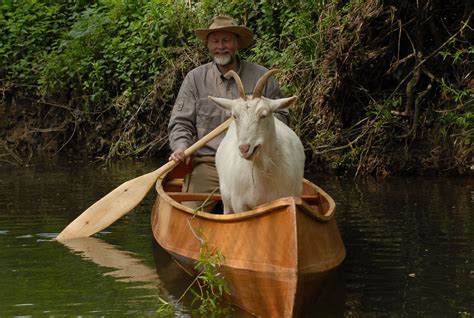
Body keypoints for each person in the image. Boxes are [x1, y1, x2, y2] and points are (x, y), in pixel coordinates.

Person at [168, 15, 289, 212]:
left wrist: (259, 120)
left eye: (226, 40)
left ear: (237, 43)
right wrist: (181, 146)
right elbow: (181, 123)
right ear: (208, 45)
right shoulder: (195, 79)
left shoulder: (261, 77)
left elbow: (282, 119)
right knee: (189, 214)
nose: (220, 46)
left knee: (278, 208)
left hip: (256, 164)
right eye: (215, 41)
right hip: (209, 164)